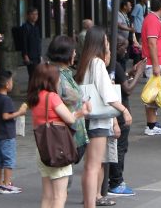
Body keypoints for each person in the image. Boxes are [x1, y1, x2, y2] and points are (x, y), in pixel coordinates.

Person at [75, 26, 133, 208]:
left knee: (90, 166)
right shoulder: (97, 64)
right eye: (106, 42)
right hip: (98, 120)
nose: (108, 45)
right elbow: (107, 94)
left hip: (87, 118)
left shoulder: (85, 63)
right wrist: (124, 110)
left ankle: (89, 201)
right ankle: (91, 203)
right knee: (94, 165)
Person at [29, 64, 90, 208]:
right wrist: (83, 112)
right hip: (58, 149)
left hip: (42, 148)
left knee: (47, 195)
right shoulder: (52, 97)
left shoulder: (35, 98)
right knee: (59, 196)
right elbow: (69, 119)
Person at [107, 36, 145, 197]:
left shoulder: (112, 65)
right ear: (117, 47)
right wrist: (139, 74)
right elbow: (127, 89)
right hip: (119, 111)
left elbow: (120, 80)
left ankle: (113, 180)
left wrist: (129, 73)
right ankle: (116, 181)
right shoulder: (113, 64)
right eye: (124, 47)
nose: (126, 50)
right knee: (119, 147)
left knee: (116, 147)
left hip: (115, 110)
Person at [45, 35, 89, 169]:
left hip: (68, 131)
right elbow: (71, 95)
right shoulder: (57, 75)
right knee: (62, 177)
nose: (75, 53)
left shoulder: (60, 72)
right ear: (65, 53)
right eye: (73, 51)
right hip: (64, 132)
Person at [0, 70, 27, 194]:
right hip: (6, 134)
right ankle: (7, 184)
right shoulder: (6, 100)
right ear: (7, 84)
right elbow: (6, 116)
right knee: (8, 160)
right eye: (11, 81)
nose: (12, 83)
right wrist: (20, 112)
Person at [141, 0, 161, 135]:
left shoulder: (152, 19)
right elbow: (152, 43)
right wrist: (156, 65)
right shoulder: (153, 20)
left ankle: (152, 124)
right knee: (154, 94)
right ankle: (151, 126)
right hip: (156, 63)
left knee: (155, 94)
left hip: (157, 62)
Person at [19, 8, 42, 81]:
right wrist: (25, 55)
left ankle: (34, 91)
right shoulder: (25, 27)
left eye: (36, 14)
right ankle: (31, 91)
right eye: (33, 14)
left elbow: (38, 42)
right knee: (33, 75)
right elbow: (23, 42)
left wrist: (40, 55)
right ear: (28, 15)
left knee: (37, 75)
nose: (35, 16)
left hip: (37, 55)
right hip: (30, 55)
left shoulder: (36, 27)